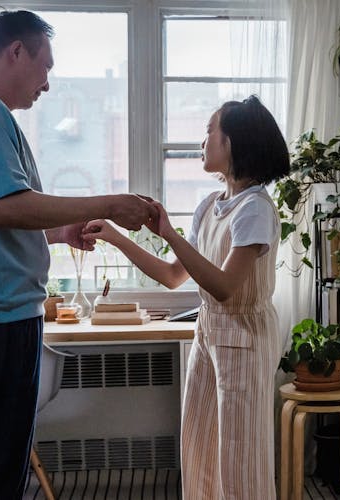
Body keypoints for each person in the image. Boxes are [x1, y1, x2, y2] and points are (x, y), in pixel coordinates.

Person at [0, 10, 156, 499]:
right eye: (45, 67)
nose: (47, 85)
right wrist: (109, 202)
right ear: (16, 51)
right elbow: (4, 206)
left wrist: (57, 232)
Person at [82, 95, 290, 499]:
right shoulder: (211, 206)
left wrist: (169, 234)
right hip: (209, 334)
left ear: (233, 142)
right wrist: (117, 236)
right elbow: (173, 276)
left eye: (210, 130)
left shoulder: (255, 209)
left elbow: (227, 288)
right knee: (199, 450)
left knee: (240, 460)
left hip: (244, 338)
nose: (204, 140)